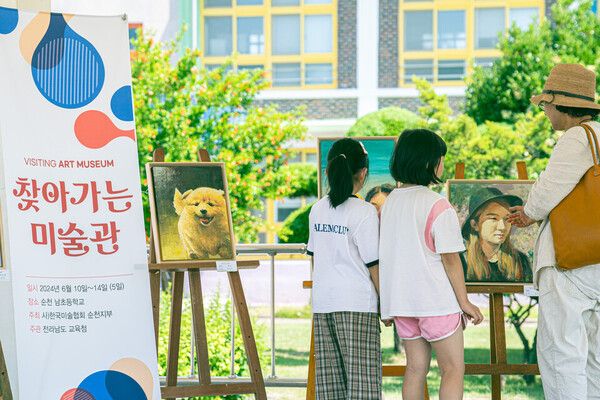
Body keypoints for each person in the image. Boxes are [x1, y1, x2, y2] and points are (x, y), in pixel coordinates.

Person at [507, 63, 600, 399]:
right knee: (594, 360)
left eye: (546, 103)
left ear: (561, 104)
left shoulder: (577, 136)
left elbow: (546, 193)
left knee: (561, 356)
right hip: (596, 260)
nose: (544, 111)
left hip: (570, 262)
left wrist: (528, 213)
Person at [379, 129, 484, 400]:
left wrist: (388, 305)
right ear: (429, 162)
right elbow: (450, 259)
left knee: (414, 370)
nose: (443, 162)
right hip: (436, 303)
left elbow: (388, 257)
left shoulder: (389, 203)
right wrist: (465, 302)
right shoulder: (438, 205)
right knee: (452, 370)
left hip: (403, 304)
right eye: (441, 157)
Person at [307, 137, 383, 399]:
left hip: (323, 304)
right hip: (358, 304)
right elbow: (374, 265)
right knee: (363, 386)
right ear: (363, 173)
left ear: (328, 171)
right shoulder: (364, 211)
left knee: (330, 388)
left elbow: (316, 260)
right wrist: (387, 303)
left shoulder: (317, 210)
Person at [460, 187, 532, 283]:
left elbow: (530, 295)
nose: (502, 227)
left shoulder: (520, 261)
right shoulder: (462, 261)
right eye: (493, 218)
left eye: (507, 219)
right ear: (474, 224)